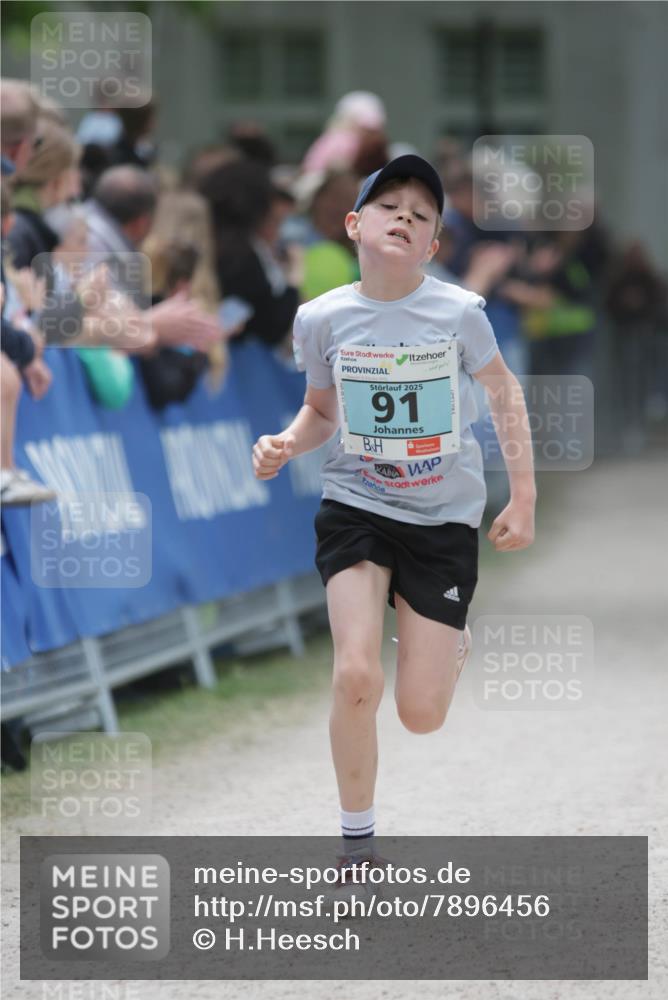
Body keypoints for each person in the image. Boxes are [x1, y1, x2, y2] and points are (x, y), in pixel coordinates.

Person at [251, 155, 536, 900]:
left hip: (441, 518)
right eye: (390, 206)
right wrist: (286, 440)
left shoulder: (458, 314)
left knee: (421, 714)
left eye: (422, 214)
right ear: (354, 225)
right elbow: (320, 411)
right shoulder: (321, 318)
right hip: (355, 506)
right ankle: (357, 845)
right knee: (354, 675)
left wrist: (524, 498)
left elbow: (503, 395)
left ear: (434, 245)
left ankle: (446, 642)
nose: (405, 217)